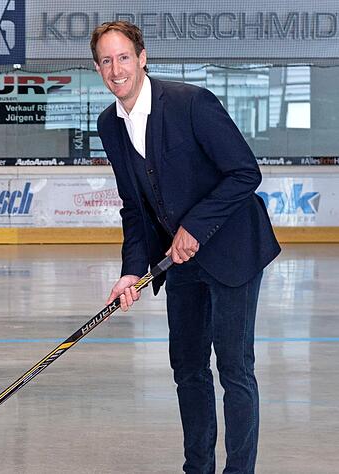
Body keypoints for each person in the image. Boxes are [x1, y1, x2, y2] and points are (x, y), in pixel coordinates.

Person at [90, 21, 280, 473]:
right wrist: (131, 270)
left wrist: (194, 226)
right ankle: (198, 468)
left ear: (142, 57)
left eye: (123, 57)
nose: (116, 69)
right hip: (180, 261)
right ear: (97, 68)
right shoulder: (109, 125)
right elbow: (134, 209)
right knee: (188, 369)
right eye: (105, 60)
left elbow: (244, 173)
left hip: (233, 249)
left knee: (235, 369)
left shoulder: (190, 103)